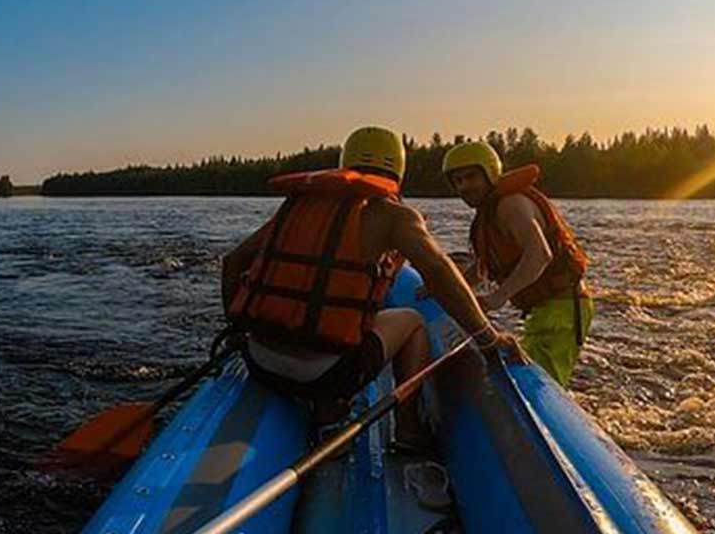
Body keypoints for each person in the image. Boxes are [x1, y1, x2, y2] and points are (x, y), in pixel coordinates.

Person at [222, 126, 520, 451]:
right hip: (325, 374)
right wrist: (488, 339)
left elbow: (233, 263)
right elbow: (439, 272)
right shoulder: (394, 215)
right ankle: (408, 430)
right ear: (398, 172)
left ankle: (327, 409)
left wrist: (237, 332)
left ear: (344, 163)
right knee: (412, 320)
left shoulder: (299, 207)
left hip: (260, 359)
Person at [441, 140, 593, 387]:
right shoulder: (489, 214)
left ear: (490, 173)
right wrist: (449, 288)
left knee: (542, 385)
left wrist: (497, 297)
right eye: (458, 181)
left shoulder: (511, 205)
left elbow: (540, 255)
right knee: (527, 372)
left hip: (562, 309)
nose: (464, 187)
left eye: (471, 177)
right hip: (544, 310)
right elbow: (482, 270)